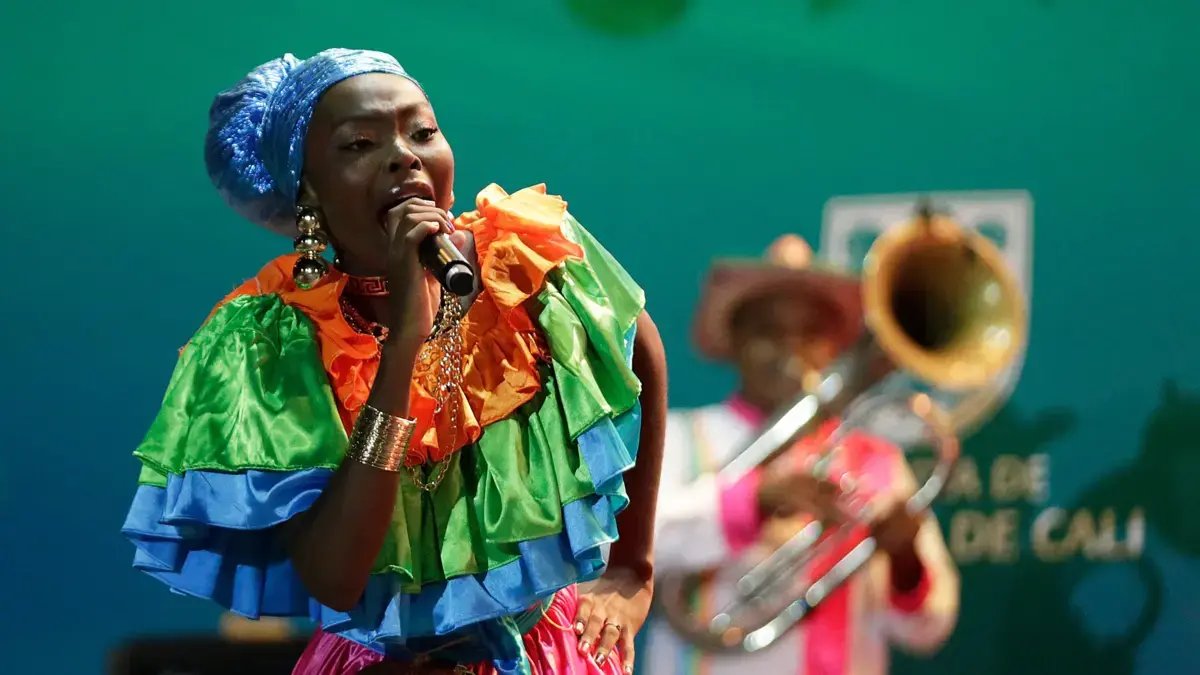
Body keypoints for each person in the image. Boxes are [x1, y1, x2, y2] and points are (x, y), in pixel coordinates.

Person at [121, 48, 668, 675]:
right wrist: (405, 339)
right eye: (359, 144)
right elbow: (336, 578)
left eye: (423, 132)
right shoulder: (272, 338)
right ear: (309, 193)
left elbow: (640, 353)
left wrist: (632, 568)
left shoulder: (529, 263)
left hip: (548, 653)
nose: (404, 155)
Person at [641, 234, 959, 675]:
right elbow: (621, 548)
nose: (790, 348)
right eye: (768, 332)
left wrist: (905, 560)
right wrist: (753, 500)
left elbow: (928, 629)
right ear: (735, 339)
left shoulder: (875, 459)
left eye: (811, 333)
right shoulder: (679, 436)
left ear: (834, 348)